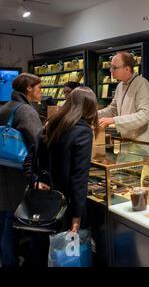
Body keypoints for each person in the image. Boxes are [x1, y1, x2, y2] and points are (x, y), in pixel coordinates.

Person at [30, 87, 98, 266]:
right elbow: (78, 178)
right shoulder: (83, 131)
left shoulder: (51, 124)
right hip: (66, 206)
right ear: (90, 108)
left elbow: (31, 160)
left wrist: (36, 181)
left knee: (47, 250)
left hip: (45, 202)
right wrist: (77, 217)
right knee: (68, 256)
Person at [0, 73, 43, 267]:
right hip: (18, 177)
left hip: (4, 174)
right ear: (29, 89)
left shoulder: (5, 108)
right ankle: (11, 262)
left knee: (3, 221)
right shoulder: (26, 111)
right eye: (39, 87)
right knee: (12, 224)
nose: (41, 91)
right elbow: (37, 144)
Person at [97, 51, 149, 155]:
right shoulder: (120, 86)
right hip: (127, 144)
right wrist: (93, 114)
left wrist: (114, 120)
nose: (111, 70)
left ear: (127, 68)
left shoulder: (142, 84)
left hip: (143, 145)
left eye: (114, 67)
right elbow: (113, 109)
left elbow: (144, 116)